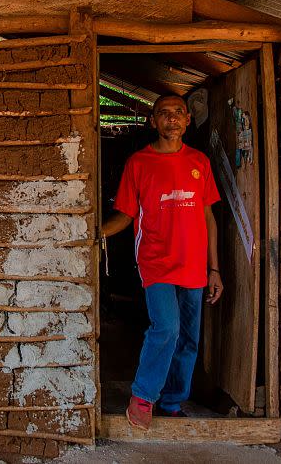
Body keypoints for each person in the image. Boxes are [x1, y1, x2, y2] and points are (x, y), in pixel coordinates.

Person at [102, 94, 223, 430]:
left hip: (195, 266)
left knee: (188, 338)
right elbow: (126, 214)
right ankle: (143, 396)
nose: (172, 119)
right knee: (166, 328)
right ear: (152, 121)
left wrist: (214, 269)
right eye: (164, 114)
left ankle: (171, 402)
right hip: (155, 262)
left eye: (178, 113)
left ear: (187, 120)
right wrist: (95, 232)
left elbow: (208, 216)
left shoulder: (199, 162)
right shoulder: (138, 164)